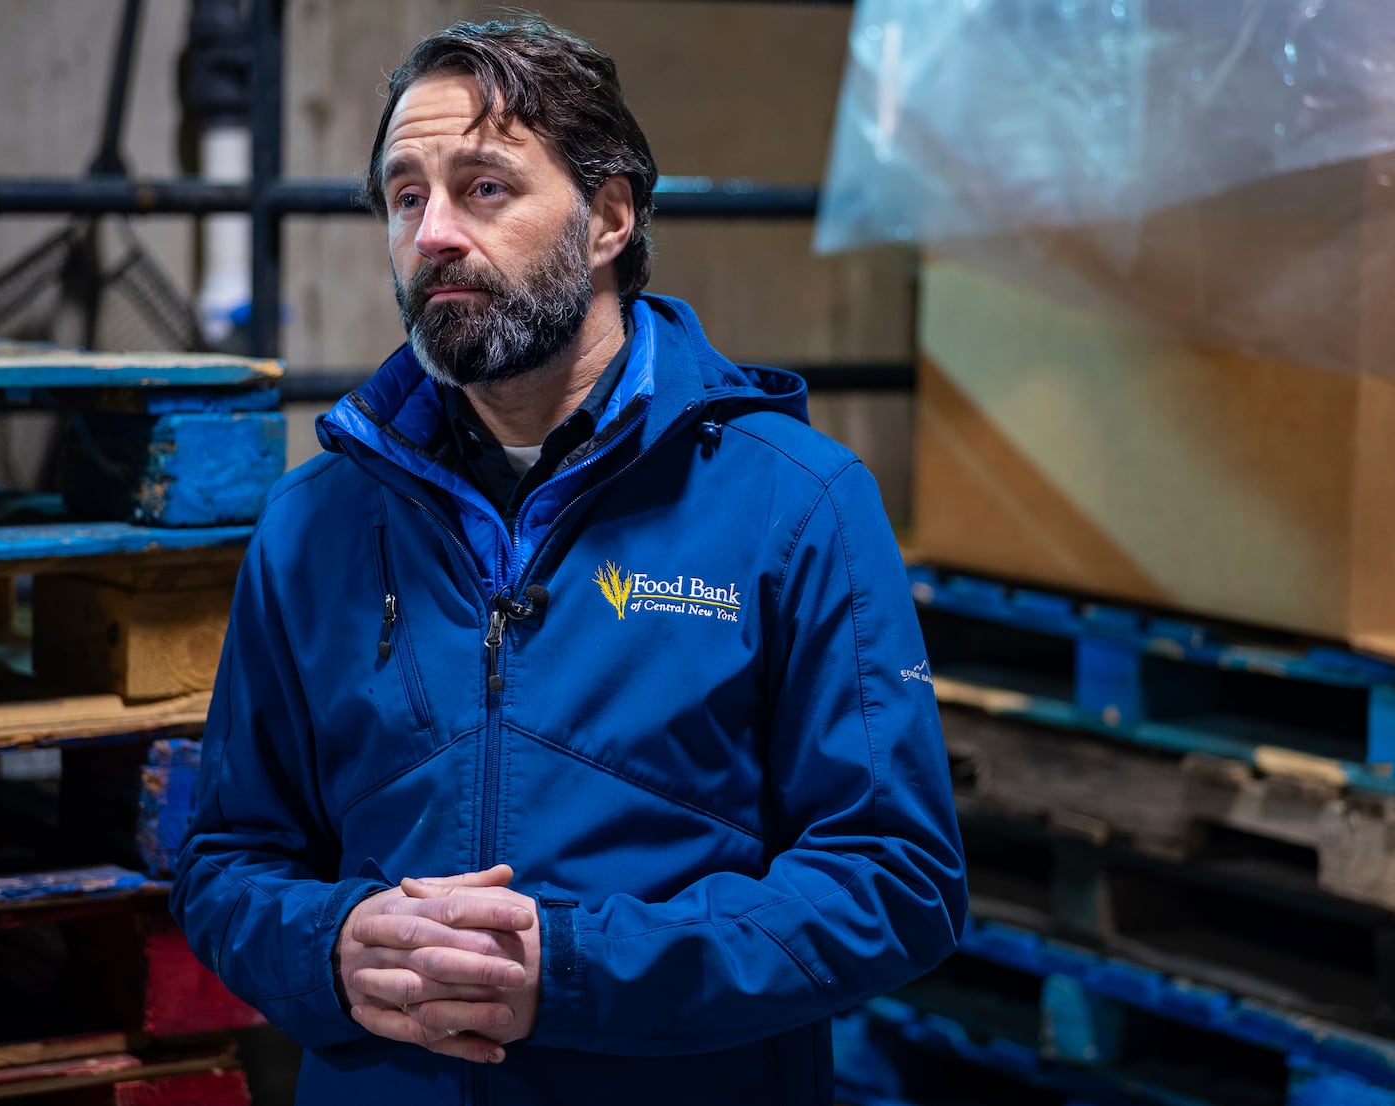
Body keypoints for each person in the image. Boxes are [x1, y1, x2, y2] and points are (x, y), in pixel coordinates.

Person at [170, 16, 966, 1105]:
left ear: (609, 216)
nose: (434, 233)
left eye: (483, 186)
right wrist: (331, 940)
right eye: (406, 196)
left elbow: (895, 877)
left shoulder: (797, 502)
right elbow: (225, 859)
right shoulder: (314, 521)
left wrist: (578, 971)